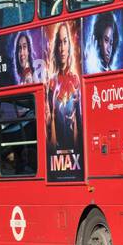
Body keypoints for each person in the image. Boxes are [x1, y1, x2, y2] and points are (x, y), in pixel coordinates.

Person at [46, 22, 83, 155]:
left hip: (75, 152)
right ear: (56, 47)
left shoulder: (75, 81)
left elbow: (80, 121)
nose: (62, 48)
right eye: (59, 43)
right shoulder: (51, 83)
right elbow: (49, 127)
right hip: (56, 154)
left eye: (65, 42)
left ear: (69, 46)